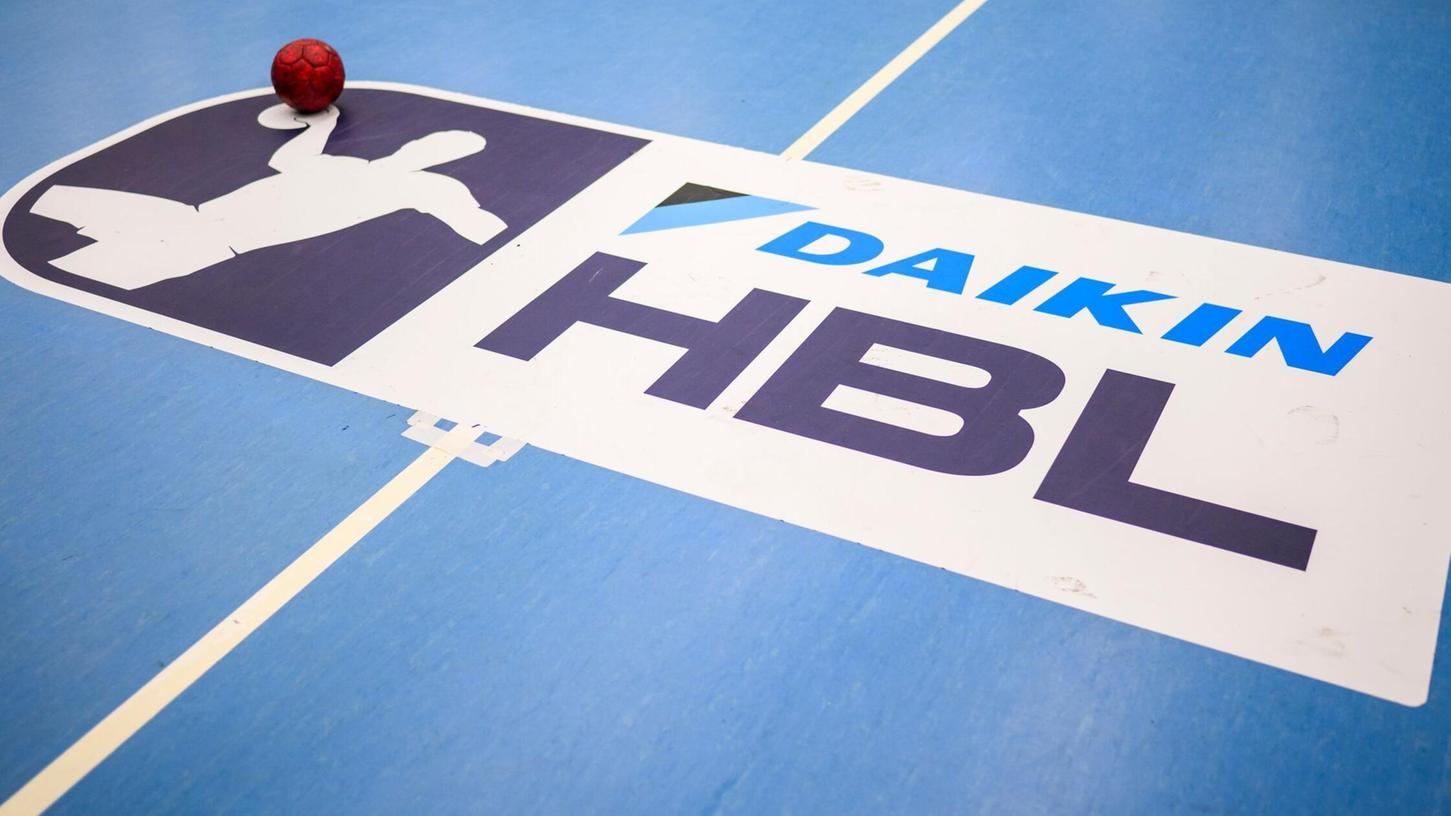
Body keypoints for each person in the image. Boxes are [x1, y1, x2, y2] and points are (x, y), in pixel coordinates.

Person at [29, 104, 507, 290]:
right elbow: (285, 161)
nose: (431, 148)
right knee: (52, 201)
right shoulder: (345, 163)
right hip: (186, 215)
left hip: (207, 243)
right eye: (434, 139)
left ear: (446, 161)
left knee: (79, 278)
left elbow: (480, 227)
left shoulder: (428, 188)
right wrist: (320, 125)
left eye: (447, 150)